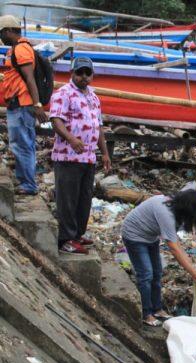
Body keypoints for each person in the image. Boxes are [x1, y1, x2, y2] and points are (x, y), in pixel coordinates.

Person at [49, 57, 110, 255]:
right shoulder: (63, 93)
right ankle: (66, 239)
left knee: (84, 199)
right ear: (72, 73)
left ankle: (77, 235)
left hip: (88, 158)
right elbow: (56, 120)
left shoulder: (93, 96)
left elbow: (98, 126)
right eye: (80, 73)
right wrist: (71, 139)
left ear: (92, 75)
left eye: (87, 73)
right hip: (67, 156)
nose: (84, 77)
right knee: (67, 199)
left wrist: (105, 153)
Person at [121, 191, 196, 326]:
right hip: (134, 235)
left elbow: (175, 241)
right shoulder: (166, 214)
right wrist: (194, 273)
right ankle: (146, 313)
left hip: (150, 236)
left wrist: (190, 262)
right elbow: (173, 248)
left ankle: (157, 309)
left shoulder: (174, 209)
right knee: (146, 274)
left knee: (157, 272)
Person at [0, 15, 47, 195]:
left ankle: (28, 184)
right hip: (17, 104)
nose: (1, 37)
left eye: (1, 33)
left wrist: (37, 104)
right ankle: (25, 181)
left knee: (23, 145)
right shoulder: (16, 49)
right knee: (21, 144)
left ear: (9, 31)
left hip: (22, 104)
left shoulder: (21, 49)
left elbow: (30, 78)